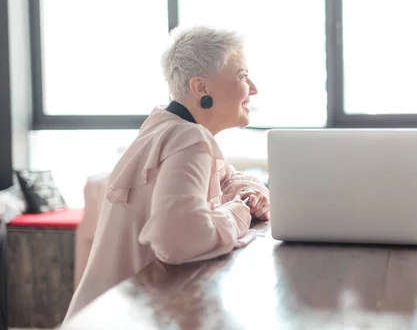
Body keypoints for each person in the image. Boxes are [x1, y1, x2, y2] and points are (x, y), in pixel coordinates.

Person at [64, 26, 270, 321]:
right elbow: (180, 239)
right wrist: (240, 211)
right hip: (124, 317)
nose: (253, 87)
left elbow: (231, 178)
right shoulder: (188, 140)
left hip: (106, 312)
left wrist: (250, 195)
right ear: (201, 88)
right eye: (241, 75)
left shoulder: (168, 127)